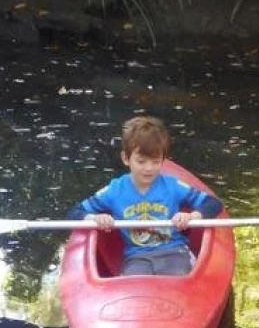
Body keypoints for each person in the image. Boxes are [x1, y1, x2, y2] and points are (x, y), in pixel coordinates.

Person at [64, 115, 224, 276]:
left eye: (155, 162)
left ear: (163, 160)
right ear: (126, 158)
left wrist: (191, 216)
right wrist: (94, 218)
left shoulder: (173, 186)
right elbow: (74, 212)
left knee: (176, 278)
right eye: (141, 161)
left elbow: (213, 203)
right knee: (133, 283)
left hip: (174, 251)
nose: (149, 168)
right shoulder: (114, 190)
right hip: (137, 257)